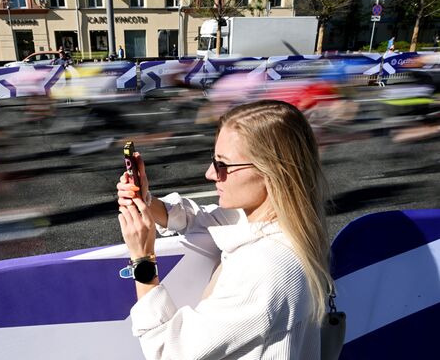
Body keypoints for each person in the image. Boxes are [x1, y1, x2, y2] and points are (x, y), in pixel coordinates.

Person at [116, 100, 334, 359]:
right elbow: (203, 218)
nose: (210, 173)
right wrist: (147, 203)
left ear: (272, 171)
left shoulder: (262, 269)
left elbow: (169, 351)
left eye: (223, 165)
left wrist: (143, 261)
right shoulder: (295, 227)